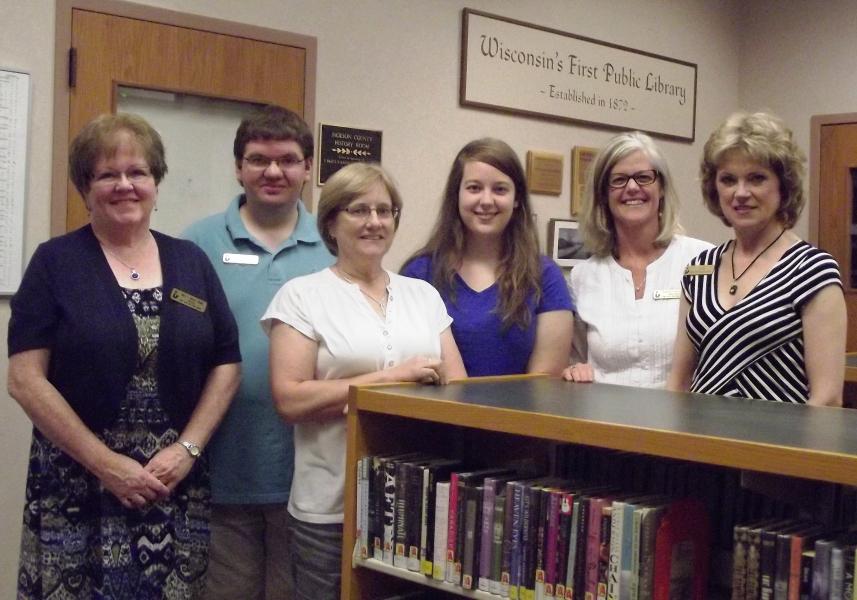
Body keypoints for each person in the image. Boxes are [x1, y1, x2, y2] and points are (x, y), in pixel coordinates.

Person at [7, 113, 241, 598]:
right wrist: (106, 464)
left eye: (138, 172)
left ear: (156, 181)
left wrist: (187, 450)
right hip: (79, 487)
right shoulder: (55, 264)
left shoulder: (190, 262)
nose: (125, 185)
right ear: (84, 187)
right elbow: (25, 379)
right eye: (106, 174)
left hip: (172, 485)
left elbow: (227, 362)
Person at [262, 162, 466, 600]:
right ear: (332, 222)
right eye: (359, 210)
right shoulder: (302, 296)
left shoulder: (422, 295)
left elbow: (460, 391)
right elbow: (290, 399)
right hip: (330, 507)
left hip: (416, 505)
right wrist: (393, 378)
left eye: (385, 210)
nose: (374, 221)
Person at [184, 105, 333, 599]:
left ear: (308, 168)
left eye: (288, 160)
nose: (273, 171)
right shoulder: (195, 245)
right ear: (238, 167)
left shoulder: (337, 245)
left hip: (309, 471)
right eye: (258, 159)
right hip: (222, 466)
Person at [667, 111, 846, 405]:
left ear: (783, 186)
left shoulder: (814, 271)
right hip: (698, 443)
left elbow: (827, 398)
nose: (740, 193)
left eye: (756, 178)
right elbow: (678, 382)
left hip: (778, 445)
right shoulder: (700, 269)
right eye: (728, 179)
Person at [401, 138, 573, 376]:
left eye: (500, 189)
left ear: (517, 200)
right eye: (474, 188)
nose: (486, 200)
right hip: (437, 412)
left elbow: (545, 383)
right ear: (456, 195)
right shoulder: (419, 274)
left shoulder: (544, 275)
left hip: (521, 413)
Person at [562, 131, 713, 387]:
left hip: (681, 422)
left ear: (662, 187)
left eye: (644, 177)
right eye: (618, 180)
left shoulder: (702, 261)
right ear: (603, 195)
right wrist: (573, 371)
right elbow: (574, 361)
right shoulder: (583, 277)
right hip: (605, 421)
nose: (632, 188)